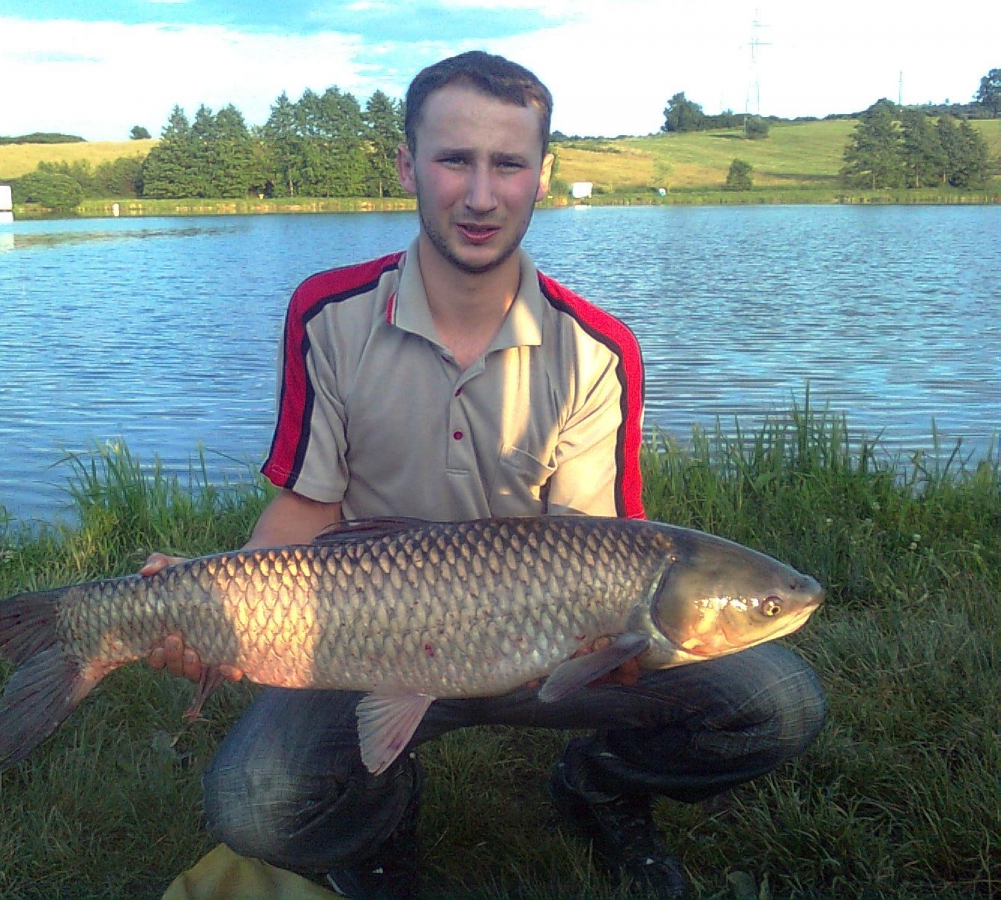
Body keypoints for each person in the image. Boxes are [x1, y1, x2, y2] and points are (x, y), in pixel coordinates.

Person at [143, 51, 827, 900]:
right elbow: (304, 510)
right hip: (364, 636)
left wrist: (618, 649)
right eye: (453, 160)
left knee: (779, 703)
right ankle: (380, 824)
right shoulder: (330, 314)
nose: (479, 195)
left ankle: (599, 786)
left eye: (507, 164)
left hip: (542, 650)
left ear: (542, 174)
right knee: (252, 803)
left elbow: (601, 540)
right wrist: (209, 605)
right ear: (407, 167)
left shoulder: (595, 349)